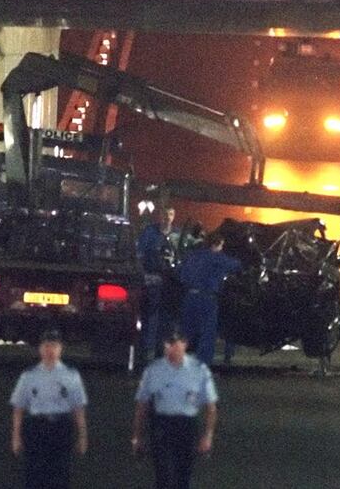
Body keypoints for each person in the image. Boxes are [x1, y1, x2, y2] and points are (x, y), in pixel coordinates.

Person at [132, 330, 218, 489]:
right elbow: (142, 404)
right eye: (167, 344)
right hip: (162, 424)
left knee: (183, 475)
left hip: (187, 425)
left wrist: (208, 436)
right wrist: (137, 436)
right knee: (162, 474)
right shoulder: (153, 370)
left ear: (184, 344)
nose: (170, 348)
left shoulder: (199, 370)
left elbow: (210, 407)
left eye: (174, 343)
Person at [10, 329, 88, 489]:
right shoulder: (29, 376)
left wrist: (82, 436)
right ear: (40, 349)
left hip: (61, 427)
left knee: (60, 473)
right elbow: (19, 408)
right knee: (34, 473)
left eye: (54, 346)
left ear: (60, 349)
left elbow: (78, 408)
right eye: (46, 346)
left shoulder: (71, 376)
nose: (50, 350)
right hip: (37, 427)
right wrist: (16, 436)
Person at [178, 231, 241, 366]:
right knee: (207, 335)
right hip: (207, 299)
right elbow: (236, 265)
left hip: (189, 298)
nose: (222, 249)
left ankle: (179, 364)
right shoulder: (217, 257)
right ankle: (202, 367)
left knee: (186, 333)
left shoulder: (192, 256)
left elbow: (182, 276)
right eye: (221, 246)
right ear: (216, 244)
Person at [137, 206, 182, 360]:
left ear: (174, 216)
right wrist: (145, 275)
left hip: (171, 283)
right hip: (153, 280)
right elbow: (140, 255)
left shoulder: (177, 235)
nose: (167, 217)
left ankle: (160, 350)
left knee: (168, 319)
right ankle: (145, 350)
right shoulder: (150, 232)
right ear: (160, 216)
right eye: (165, 214)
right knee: (150, 316)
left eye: (170, 214)